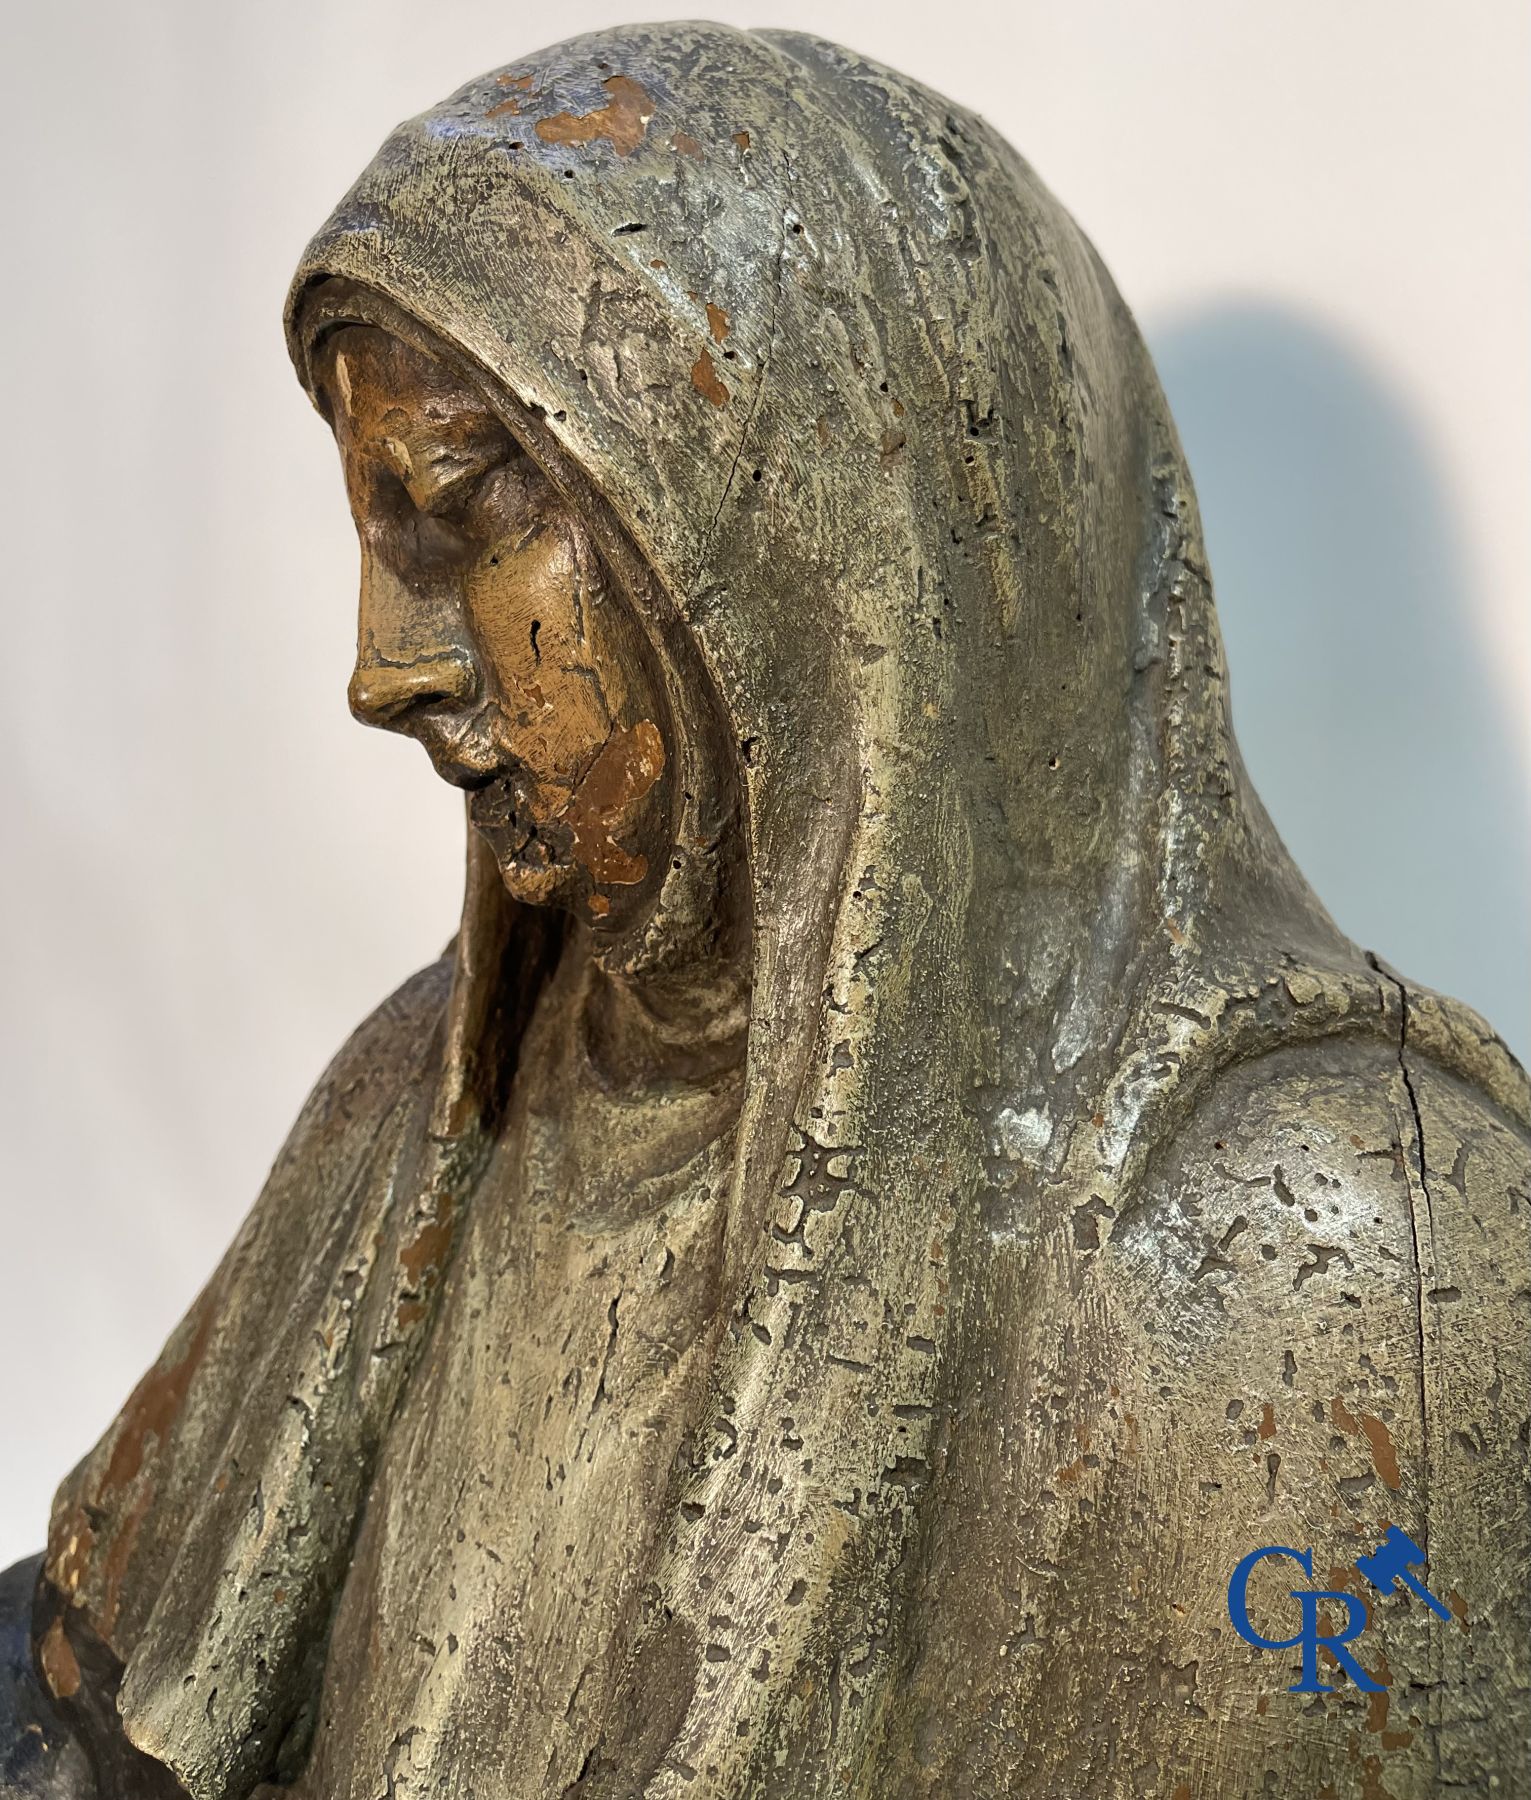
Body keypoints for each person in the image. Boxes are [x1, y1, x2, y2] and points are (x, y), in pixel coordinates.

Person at [4, 23, 1526, 1798]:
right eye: (369, 522)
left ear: (798, 555)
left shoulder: (1348, 1273)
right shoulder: (422, 1123)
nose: (381, 669)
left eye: (454, 514)